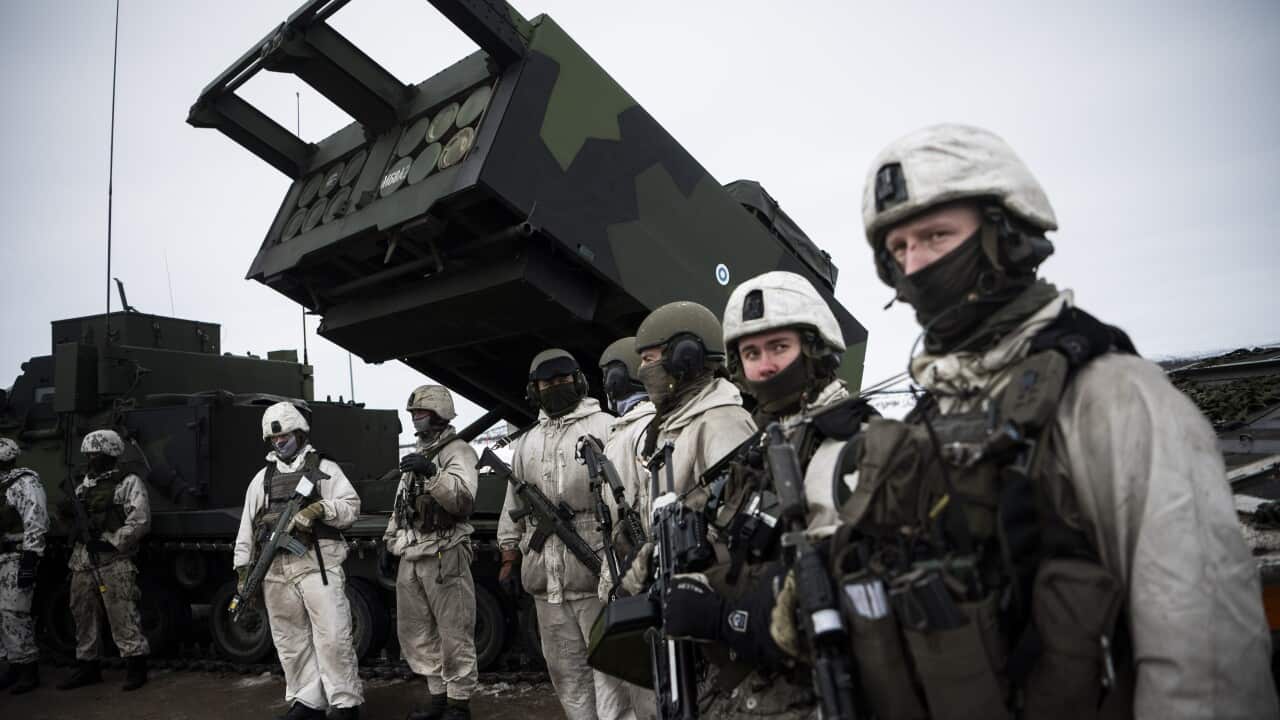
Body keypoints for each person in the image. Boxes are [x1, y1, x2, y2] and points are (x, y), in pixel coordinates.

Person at [774, 123, 1278, 718]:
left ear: (1007, 235)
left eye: (935, 236)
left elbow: (1204, 658)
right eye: (898, 250)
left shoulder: (1114, 397)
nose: (914, 264)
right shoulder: (937, 409)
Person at [658, 272, 871, 719]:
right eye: (752, 353)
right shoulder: (762, 446)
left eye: (779, 347)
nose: (766, 366)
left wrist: (723, 616)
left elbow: (854, 600)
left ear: (814, 348)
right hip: (756, 687)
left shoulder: (852, 444)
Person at [497, 349, 629, 720]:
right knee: (567, 677)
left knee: (613, 675)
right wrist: (509, 556)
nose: (555, 387)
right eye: (547, 383)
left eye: (562, 379)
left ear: (578, 381)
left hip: (597, 578)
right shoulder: (528, 442)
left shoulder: (607, 427)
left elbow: (626, 500)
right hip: (546, 584)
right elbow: (513, 505)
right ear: (534, 390)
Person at [234, 402, 363, 720]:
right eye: (274, 439)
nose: (280, 442)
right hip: (275, 570)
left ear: (300, 434)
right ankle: (308, 702)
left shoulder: (325, 468)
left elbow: (350, 506)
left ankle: (345, 703)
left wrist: (321, 509)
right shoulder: (262, 479)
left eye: (286, 436)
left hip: (317, 564)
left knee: (332, 636)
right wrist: (243, 571)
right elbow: (247, 529)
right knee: (290, 639)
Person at [384, 385, 479, 720]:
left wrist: (433, 474)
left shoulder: (458, 452)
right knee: (417, 632)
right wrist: (389, 540)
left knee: (455, 631)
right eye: (413, 413)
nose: (415, 418)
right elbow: (402, 504)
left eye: (421, 412)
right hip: (412, 552)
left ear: (439, 414)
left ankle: (458, 703)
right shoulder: (420, 453)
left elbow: (463, 501)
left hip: (444, 551)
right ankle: (438, 697)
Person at [57, 429, 151, 692]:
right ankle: (87, 666)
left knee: (122, 613)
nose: (90, 459)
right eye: (88, 455)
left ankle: (135, 664)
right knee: (82, 613)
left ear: (110, 454)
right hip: (82, 560)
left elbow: (140, 521)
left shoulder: (128, 483)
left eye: (95, 454)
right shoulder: (82, 485)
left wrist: (112, 541)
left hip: (113, 560)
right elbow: (70, 520)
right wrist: (69, 520)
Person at [594, 338, 657, 720]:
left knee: (646, 689)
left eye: (608, 375)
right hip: (623, 574)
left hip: (639, 575)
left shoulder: (645, 428)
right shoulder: (624, 430)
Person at [0, 437, 47, 695]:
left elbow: (36, 519)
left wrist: (31, 557)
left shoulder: (25, 483)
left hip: (16, 555)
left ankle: (28, 668)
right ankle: (12, 665)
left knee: (14, 613)